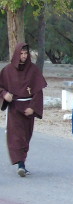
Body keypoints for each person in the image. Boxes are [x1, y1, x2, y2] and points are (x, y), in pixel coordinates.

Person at [0, 42, 47, 176]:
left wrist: (33, 107)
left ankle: (22, 162)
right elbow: (0, 87)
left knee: (26, 137)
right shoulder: (7, 70)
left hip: (28, 109)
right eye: (21, 53)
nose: (24, 56)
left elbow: (38, 91)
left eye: (26, 53)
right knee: (16, 137)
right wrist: (5, 95)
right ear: (16, 54)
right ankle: (20, 164)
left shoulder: (33, 70)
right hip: (15, 108)